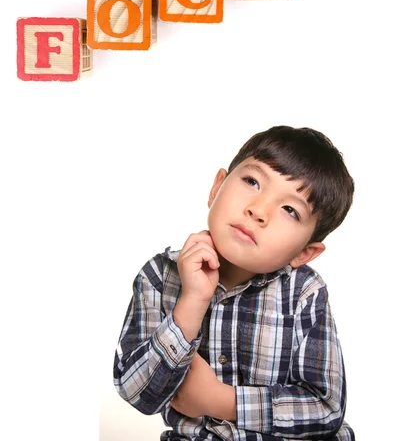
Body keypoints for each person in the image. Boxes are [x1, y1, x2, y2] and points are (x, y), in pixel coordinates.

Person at [113, 125, 356, 441]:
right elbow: (137, 393)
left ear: (305, 252)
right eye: (252, 181)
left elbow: (327, 409)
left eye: (290, 210)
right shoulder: (159, 276)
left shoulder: (304, 293)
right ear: (216, 188)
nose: (258, 210)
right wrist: (192, 303)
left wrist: (223, 401)